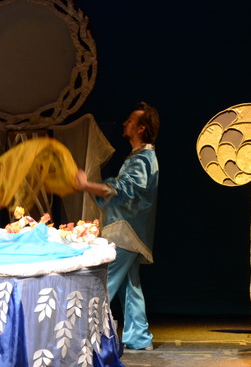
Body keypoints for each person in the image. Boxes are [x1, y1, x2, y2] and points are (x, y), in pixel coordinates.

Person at [75, 102, 160, 351]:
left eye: (131, 120)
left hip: (126, 231)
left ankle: (80, 335)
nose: (125, 123)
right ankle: (139, 336)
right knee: (130, 286)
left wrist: (87, 185)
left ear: (141, 128)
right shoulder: (139, 158)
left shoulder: (143, 159)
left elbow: (123, 189)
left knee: (104, 282)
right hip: (128, 231)